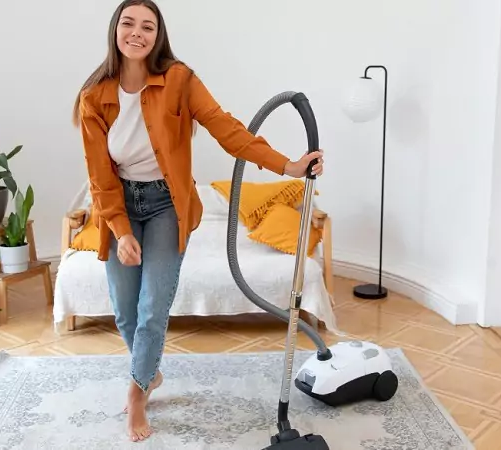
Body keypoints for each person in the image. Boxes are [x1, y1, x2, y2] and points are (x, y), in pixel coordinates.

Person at [72, 0, 324, 442]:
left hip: (168, 205)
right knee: (125, 312)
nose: (137, 33)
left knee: (152, 308)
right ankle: (149, 371)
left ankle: (136, 393)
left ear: (158, 36)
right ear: (115, 30)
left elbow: (225, 127)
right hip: (119, 206)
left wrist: (287, 165)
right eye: (129, 23)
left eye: (148, 26)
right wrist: (121, 230)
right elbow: (99, 176)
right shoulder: (94, 96)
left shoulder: (179, 80)